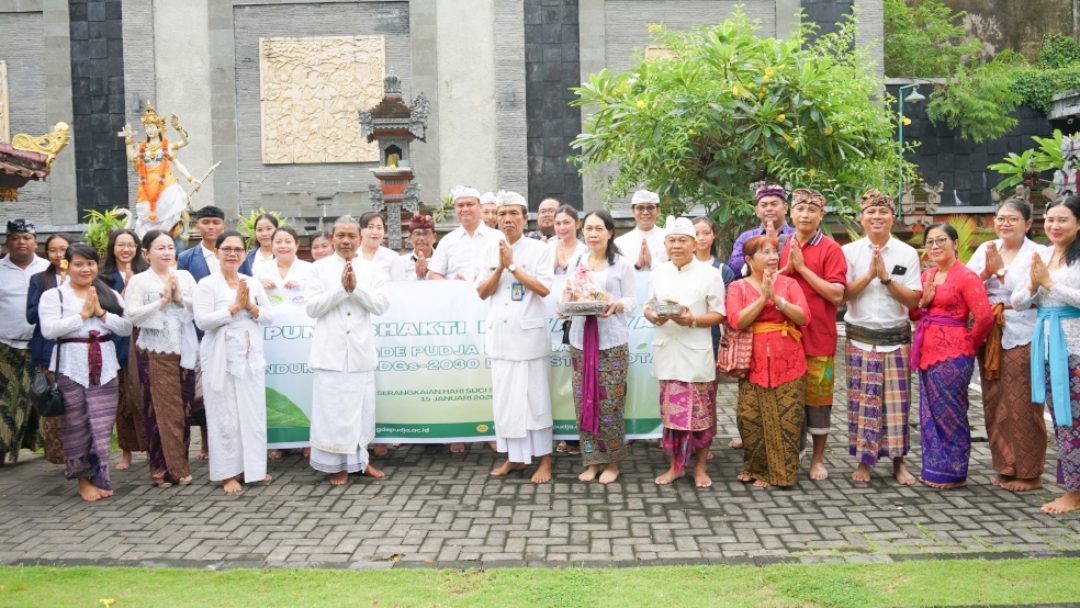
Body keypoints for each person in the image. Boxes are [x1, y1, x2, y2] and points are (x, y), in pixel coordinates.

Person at [39, 243, 132, 501]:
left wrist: (100, 313)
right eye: (78, 264)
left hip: (105, 367)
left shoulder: (109, 294)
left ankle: (100, 476)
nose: (85, 269)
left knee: (102, 424)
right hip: (71, 366)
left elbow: (126, 328)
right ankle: (83, 480)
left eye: (90, 264)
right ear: (67, 266)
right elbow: (49, 330)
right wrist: (82, 315)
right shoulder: (54, 296)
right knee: (76, 424)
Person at [842, 190, 922, 485]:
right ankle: (864, 461)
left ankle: (899, 463)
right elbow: (842, 296)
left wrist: (886, 278)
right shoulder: (849, 252)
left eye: (883, 212)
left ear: (893, 217)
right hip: (859, 339)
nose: (877, 217)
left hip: (896, 339)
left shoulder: (906, 253)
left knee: (897, 405)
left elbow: (913, 300)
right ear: (861, 218)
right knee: (862, 404)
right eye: (871, 212)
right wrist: (869, 275)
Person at [305, 216, 389, 485]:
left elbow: (381, 306)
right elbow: (312, 308)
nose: (346, 241)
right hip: (330, 353)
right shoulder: (318, 269)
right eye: (340, 235)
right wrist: (341, 289)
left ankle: (361, 462)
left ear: (360, 238)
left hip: (359, 351)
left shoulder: (372, 270)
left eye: (351, 236)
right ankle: (336, 466)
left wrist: (356, 289)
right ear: (332, 238)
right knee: (332, 411)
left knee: (360, 409)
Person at [478, 190, 555, 483]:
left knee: (536, 400)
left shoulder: (539, 250)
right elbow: (482, 291)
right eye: (502, 214)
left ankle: (544, 460)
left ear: (525, 218)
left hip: (529, 338)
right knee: (506, 401)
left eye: (513, 214)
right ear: (496, 219)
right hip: (501, 337)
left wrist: (512, 266)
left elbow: (543, 289)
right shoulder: (488, 250)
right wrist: (500, 267)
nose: (507, 219)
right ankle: (515, 458)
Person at [968, 199, 1044, 492]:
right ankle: (1006, 467)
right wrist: (986, 273)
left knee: (1022, 401)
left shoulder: (1039, 253)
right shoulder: (985, 249)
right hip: (990, 331)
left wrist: (1000, 272)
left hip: (1023, 330)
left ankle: (1030, 473)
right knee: (994, 400)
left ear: (1028, 223)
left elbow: (1028, 294)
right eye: (1000, 218)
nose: (1005, 223)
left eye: (1013, 218)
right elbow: (966, 284)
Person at [644, 217, 726, 488]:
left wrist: (691, 320)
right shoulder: (658, 273)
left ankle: (700, 467)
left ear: (694, 244)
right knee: (671, 416)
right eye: (672, 240)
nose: (676, 246)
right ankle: (675, 467)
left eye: (682, 240)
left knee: (701, 415)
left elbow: (719, 314)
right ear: (665, 244)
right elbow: (648, 306)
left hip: (696, 356)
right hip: (668, 353)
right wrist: (653, 316)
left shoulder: (710, 274)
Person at [1013, 194, 1080, 514]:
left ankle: (1074, 493)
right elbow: (1017, 302)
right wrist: (1033, 285)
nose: (1054, 225)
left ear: (1078, 224)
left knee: (1074, 419)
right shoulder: (1040, 254)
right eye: (1050, 219)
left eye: (1063, 219)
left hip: (1074, 348)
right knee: (1060, 418)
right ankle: (1072, 485)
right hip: (1046, 346)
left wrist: (1049, 284)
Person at [912, 223, 993, 490]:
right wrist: (924, 301)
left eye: (941, 240)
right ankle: (935, 469)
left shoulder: (966, 277)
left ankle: (956, 473)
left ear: (955, 244)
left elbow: (984, 317)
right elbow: (914, 313)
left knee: (952, 413)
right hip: (927, 350)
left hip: (954, 353)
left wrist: (969, 345)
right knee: (930, 414)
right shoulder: (928, 276)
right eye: (930, 242)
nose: (935, 246)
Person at [194, 231, 275, 494]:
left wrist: (249, 305)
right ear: (216, 252)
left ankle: (252, 468)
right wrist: (234, 308)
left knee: (252, 413)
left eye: (238, 249)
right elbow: (202, 322)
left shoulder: (252, 282)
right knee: (224, 414)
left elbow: (269, 317)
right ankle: (227, 472)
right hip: (220, 354)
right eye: (226, 249)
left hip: (251, 355)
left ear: (245, 254)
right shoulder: (207, 284)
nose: (232, 254)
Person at [726, 235, 809, 488]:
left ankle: (782, 475)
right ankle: (756, 469)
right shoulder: (737, 287)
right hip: (753, 360)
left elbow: (804, 317)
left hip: (789, 359)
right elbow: (737, 321)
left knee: (788, 417)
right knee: (750, 416)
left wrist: (778, 300)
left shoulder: (790, 284)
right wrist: (763, 298)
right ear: (749, 260)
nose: (773, 257)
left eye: (774, 251)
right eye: (766, 252)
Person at [559, 210, 636, 483]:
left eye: (599, 229)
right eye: (589, 228)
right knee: (585, 402)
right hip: (581, 341)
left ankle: (612, 463)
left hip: (611, 342)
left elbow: (632, 300)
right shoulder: (578, 260)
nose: (593, 234)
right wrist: (563, 306)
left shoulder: (622, 265)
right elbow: (569, 292)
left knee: (610, 404)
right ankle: (592, 462)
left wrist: (616, 304)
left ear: (610, 232)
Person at [778, 189, 848, 481]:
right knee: (789, 400)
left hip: (819, 337)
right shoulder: (783, 243)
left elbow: (837, 295)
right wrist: (788, 268)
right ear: (790, 212)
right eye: (800, 209)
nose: (805, 215)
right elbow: (773, 283)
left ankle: (818, 459)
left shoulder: (831, 249)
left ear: (821, 215)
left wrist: (803, 269)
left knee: (818, 402)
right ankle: (794, 452)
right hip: (786, 338)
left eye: (811, 210)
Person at [125, 229, 200, 487]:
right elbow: (132, 314)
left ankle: (180, 465)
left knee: (183, 411)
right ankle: (161, 469)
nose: (167, 252)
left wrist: (179, 299)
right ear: (146, 253)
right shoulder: (139, 281)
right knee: (159, 411)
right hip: (155, 353)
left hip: (185, 352)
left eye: (170, 247)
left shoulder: (185, 276)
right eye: (160, 248)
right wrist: (162, 301)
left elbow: (200, 309)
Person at [99, 228, 149, 471]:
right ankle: (126, 452)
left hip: (144, 341)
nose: (126, 249)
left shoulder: (147, 273)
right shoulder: (102, 277)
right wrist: (126, 288)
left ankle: (150, 448)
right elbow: (105, 310)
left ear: (138, 248)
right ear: (113, 248)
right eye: (121, 244)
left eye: (131, 244)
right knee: (123, 401)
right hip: (117, 342)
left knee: (145, 397)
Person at [0, 219, 50, 466]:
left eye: (26, 237)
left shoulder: (48, 268)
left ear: (35, 242)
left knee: (41, 398)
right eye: (15, 237)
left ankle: (49, 448)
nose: (21, 242)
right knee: (4, 401)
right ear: (7, 242)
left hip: (40, 347)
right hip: (5, 348)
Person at [120, 103, 202, 237]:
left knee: (170, 214)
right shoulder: (142, 148)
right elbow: (131, 158)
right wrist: (128, 140)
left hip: (166, 185)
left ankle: (170, 237)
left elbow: (184, 145)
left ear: (159, 128)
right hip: (146, 186)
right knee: (146, 217)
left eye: (152, 127)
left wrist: (191, 179)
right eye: (146, 127)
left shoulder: (166, 147)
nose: (149, 130)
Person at [26, 234, 72, 465]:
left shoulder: (83, 274)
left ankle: (81, 454)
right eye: (53, 250)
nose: (58, 254)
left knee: (76, 404)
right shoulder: (39, 279)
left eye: (63, 249)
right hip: (48, 349)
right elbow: (31, 316)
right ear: (46, 254)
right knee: (54, 402)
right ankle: (59, 456)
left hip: (76, 348)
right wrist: (54, 296)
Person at [428, 186, 504, 282]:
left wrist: (488, 279)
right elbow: (434, 274)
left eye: (470, 204)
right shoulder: (447, 241)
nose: (465, 209)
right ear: (455, 208)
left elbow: (509, 270)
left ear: (480, 207)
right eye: (460, 205)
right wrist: (451, 284)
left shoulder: (498, 238)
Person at [727, 182, 795, 276]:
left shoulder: (796, 235)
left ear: (785, 208)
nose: (769, 208)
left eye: (774, 204)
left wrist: (774, 244)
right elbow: (733, 267)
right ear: (757, 211)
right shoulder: (747, 237)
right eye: (763, 205)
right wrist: (763, 246)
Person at [178, 206, 253, 282]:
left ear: (223, 228)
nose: (211, 227)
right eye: (205, 223)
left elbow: (249, 282)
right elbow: (182, 286)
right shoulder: (185, 258)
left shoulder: (238, 254)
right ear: (197, 227)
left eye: (216, 223)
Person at [614, 190, 669, 270]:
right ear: (633, 211)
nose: (645, 212)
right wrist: (637, 265)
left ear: (658, 211)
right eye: (640, 208)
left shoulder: (669, 239)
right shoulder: (619, 243)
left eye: (650, 208)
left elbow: (675, 270)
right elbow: (616, 272)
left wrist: (652, 263)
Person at [257, 226, 313, 292]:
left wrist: (300, 287)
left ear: (297, 245)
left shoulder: (310, 269)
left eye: (288, 242)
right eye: (278, 242)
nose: (283, 246)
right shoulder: (261, 270)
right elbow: (252, 295)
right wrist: (259, 288)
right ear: (271, 245)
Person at [359, 212, 407, 282]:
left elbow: (400, 285)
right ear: (360, 230)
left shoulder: (392, 257)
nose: (375, 232)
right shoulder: (351, 256)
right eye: (370, 227)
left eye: (379, 228)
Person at [550, 205, 587, 275]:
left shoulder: (585, 251)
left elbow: (585, 278)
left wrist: (565, 265)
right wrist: (554, 265)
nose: (562, 228)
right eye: (558, 223)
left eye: (566, 223)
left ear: (577, 223)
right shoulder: (548, 247)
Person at [245, 213, 279, 279]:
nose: (264, 233)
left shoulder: (285, 256)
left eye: (269, 229)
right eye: (259, 230)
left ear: (277, 230)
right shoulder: (246, 257)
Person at [402, 215, 435, 281]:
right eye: (417, 234)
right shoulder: (401, 262)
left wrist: (428, 275)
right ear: (410, 237)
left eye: (426, 234)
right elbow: (398, 285)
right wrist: (417, 275)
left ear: (434, 237)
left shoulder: (443, 261)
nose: (421, 238)